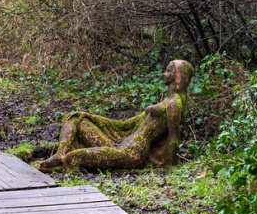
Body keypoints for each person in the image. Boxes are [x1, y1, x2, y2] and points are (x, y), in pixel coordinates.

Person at [37, 60, 194, 170]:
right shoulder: (165, 100)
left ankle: (64, 159)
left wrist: (171, 165)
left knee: (73, 158)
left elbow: (174, 136)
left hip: (131, 152)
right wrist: (91, 117)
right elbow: (126, 126)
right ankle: (59, 154)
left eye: (168, 71)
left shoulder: (174, 103)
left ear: (177, 75)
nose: (164, 73)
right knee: (75, 117)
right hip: (118, 142)